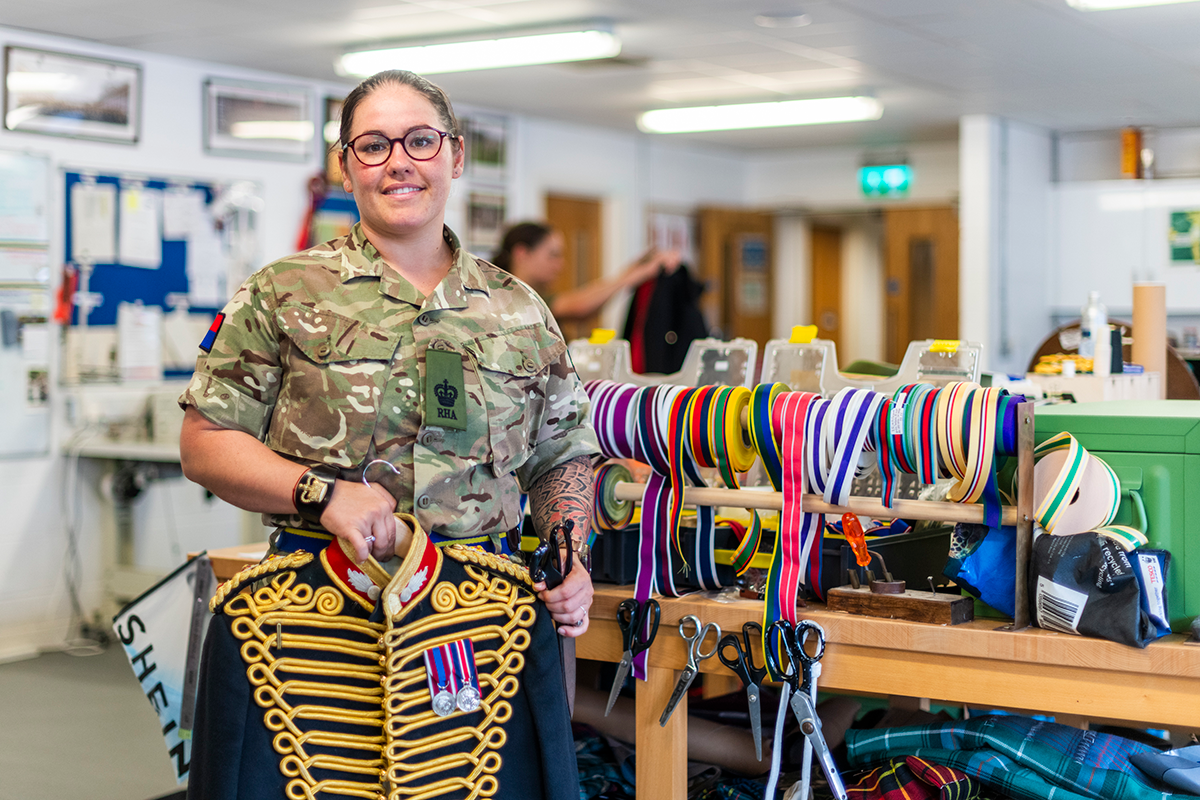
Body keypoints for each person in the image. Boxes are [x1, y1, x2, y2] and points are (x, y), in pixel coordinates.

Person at [178, 70, 598, 800]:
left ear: (455, 156)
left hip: (479, 621)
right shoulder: (282, 293)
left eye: (420, 140)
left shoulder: (520, 311)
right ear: (347, 165)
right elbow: (205, 440)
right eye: (372, 145)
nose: (398, 160)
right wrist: (320, 493)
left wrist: (572, 555)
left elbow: (563, 455)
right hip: (316, 614)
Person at [493, 220, 679, 323]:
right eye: (553, 255)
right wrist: (637, 275)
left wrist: (631, 271)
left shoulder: (532, 294)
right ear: (522, 253)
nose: (560, 265)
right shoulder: (506, 296)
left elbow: (589, 310)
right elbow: (579, 306)